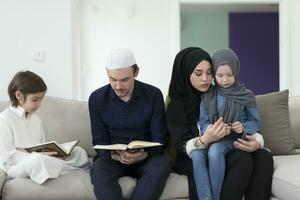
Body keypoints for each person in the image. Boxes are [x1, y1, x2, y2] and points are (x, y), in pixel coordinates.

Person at [166, 47, 273, 200]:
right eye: (198, 73)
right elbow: (180, 145)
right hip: (192, 154)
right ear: (185, 73)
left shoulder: (223, 93)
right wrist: (204, 139)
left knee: (263, 156)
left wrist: (256, 141)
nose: (205, 79)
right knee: (242, 159)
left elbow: (246, 119)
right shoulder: (176, 105)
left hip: (227, 142)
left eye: (209, 72)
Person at [89, 48, 170, 200]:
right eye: (113, 79)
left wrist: (144, 155)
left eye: (125, 80)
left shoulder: (153, 95)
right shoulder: (96, 99)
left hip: (146, 158)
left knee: (162, 165)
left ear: (136, 72)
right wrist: (115, 156)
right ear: (107, 73)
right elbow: (99, 141)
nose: (118, 86)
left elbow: (159, 138)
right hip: (114, 159)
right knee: (99, 169)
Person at [191, 48, 260, 200]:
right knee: (196, 155)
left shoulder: (246, 95)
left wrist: (243, 127)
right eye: (219, 75)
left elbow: (255, 122)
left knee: (215, 151)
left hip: (233, 139)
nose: (224, 80)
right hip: (212, 138)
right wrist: (210, 131)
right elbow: (203, 122)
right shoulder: (208, 95)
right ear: (214, 74)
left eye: (229, 75)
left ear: (236, 72)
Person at [0, 71, 88, 184]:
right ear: (18, 95)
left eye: (41, 100)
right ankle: (69, 169)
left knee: (79, 152)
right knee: (38, 160)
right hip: (17, 166)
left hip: (42, 159)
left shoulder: (36, 119)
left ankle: (59, 167)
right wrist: (40, 156)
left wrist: (52, 153)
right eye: (35, 100)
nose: (39, 105)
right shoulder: (5, 119)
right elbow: (8, 157)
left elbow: (41, 145)